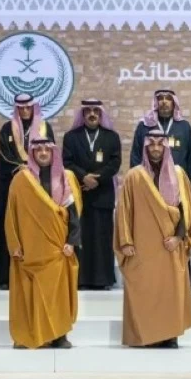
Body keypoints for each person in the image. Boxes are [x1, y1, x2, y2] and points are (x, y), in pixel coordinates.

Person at [115, 129, 191, 348]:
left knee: (170, 292)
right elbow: (124, 211)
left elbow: (187, 210)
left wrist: (178, 237)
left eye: (159, 144)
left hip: (170, 245)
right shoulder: (134, 176)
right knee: (145, 291)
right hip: (142, 246)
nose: (155, 148)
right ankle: (147, 336)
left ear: (166, 147)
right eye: (151, 144)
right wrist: (126, 241)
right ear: (145, 147)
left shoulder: (179, 174)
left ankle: (170, 336)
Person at [5, 137, 81, 349]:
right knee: (31, 294)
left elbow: (73, 214)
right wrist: (14, 244)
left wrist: (72, 241)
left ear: (53, 152)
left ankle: (59, 336)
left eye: (47, 149)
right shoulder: (21, 180)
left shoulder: (65, 178)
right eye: (38, 150)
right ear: (32, 153)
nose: (43, 153)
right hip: (29, 248)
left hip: (58, 248)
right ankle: (32, 335)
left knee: (58, 294)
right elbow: (10, 214)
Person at [0, 94, 54, 289]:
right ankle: (5, 277)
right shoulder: (7, 129)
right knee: (10, 227)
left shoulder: (45, 128)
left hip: (38, 186)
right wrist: (22, 168)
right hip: (12, 186)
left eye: (28, 107)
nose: (25, 111)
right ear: (16, 109)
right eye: (21, 108)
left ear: (33, 108)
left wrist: (33, 169)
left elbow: (49, 154)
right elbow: (5, 155)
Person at [62, 99, 122, 290]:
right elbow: (67, 162)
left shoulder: (111, 137)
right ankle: (80, 279)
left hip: (103, 195)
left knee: (102, 238)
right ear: (83, 114)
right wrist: (84, 177)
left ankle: (103, 280)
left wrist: (97, 179)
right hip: (79, 195)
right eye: (88, 110)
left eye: (96, 110)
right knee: (81, 237)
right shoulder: (71, 137)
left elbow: (115, 163)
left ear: (101, 113)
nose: (92, 114)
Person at [131, 89, 191, 193]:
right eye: (160, 98)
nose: (164, 101)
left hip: (178, 186)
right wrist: (135, 186)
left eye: (168, 98)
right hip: (149, 186)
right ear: (156, 102)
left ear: (174, 103)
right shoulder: (144, 126)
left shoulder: (184, 127)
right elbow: (135, 157)